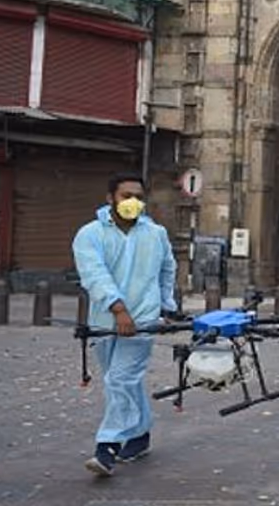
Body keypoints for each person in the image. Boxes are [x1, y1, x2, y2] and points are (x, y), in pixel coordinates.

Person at [73, 172, 177, 477]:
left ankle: (106, 447)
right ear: (110, 199)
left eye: (139, 197)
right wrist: (118, 310)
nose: (133, 202)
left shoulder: (156, 234)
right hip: (104, 321)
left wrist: (166, 306)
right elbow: (94, 275)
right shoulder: (90, 234)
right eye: (126, 195)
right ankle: (140, 433)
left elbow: (167, 269)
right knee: (121, 381)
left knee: (120, 379)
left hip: (143, 321)